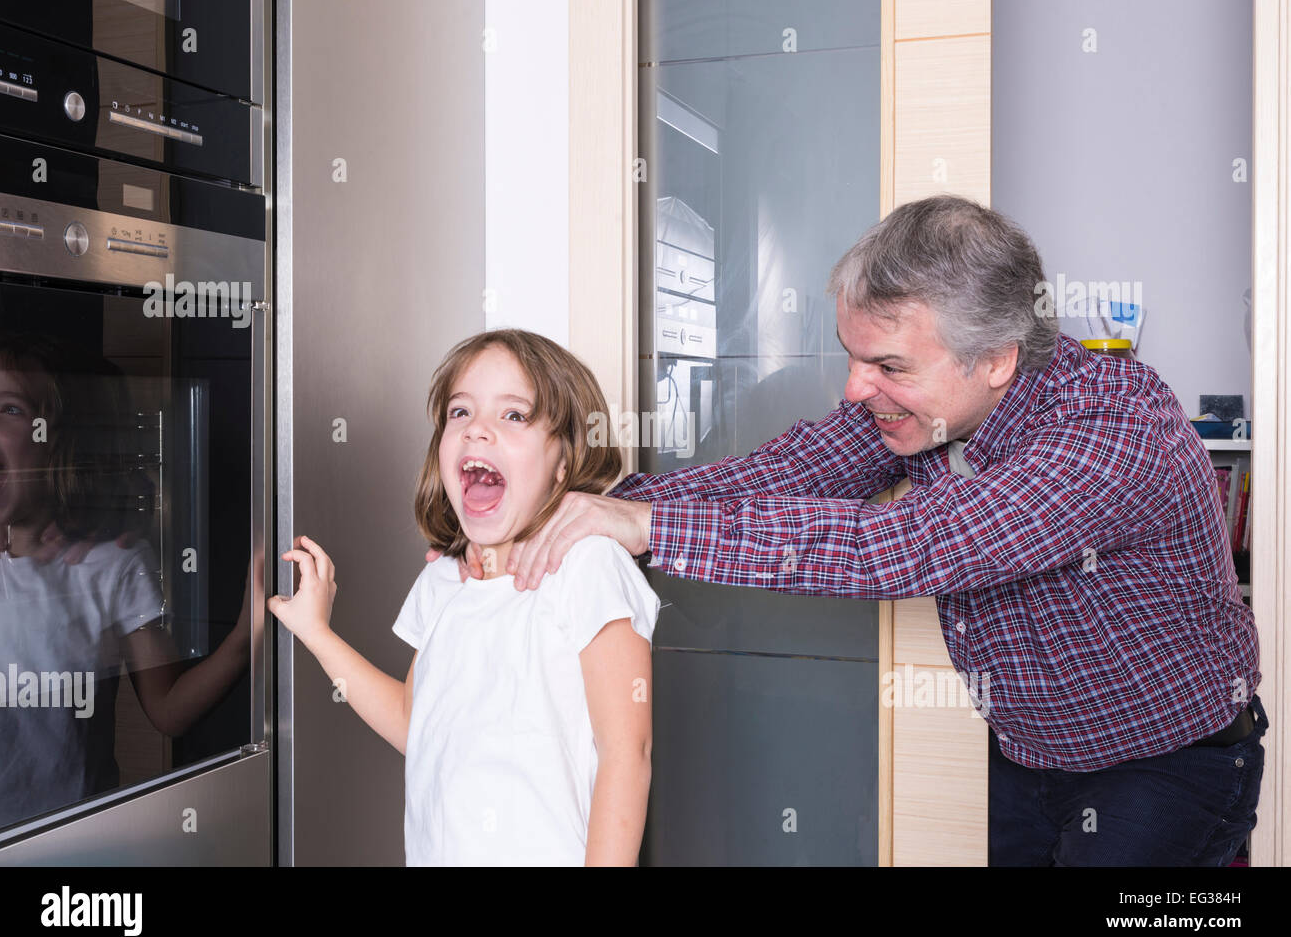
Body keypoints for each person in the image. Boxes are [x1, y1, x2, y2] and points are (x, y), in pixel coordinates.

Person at [450, 195, 1266, 867]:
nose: (855, 387)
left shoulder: (1113, 427)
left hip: (1170, 768)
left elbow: (905, 544)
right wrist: (574, 511)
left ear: (996, 360)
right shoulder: (922, 409)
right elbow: (778, 473)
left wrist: (648, 526)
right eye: (852, 355)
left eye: (888, 366)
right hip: (1029, 759)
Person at [267, 329, 661, 866]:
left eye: (514, 415)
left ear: (564, 462)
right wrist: (316, 633)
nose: (477, 429)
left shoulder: (590, 567)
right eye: (460, 412)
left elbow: (627, 755)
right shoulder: (442, 582)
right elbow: (416, 722)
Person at [0, 334, 252, 835]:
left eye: (11, 409)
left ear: (55, 442)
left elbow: (169, 709)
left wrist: (246, 637)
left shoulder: (113, 562)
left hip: (77, 842)